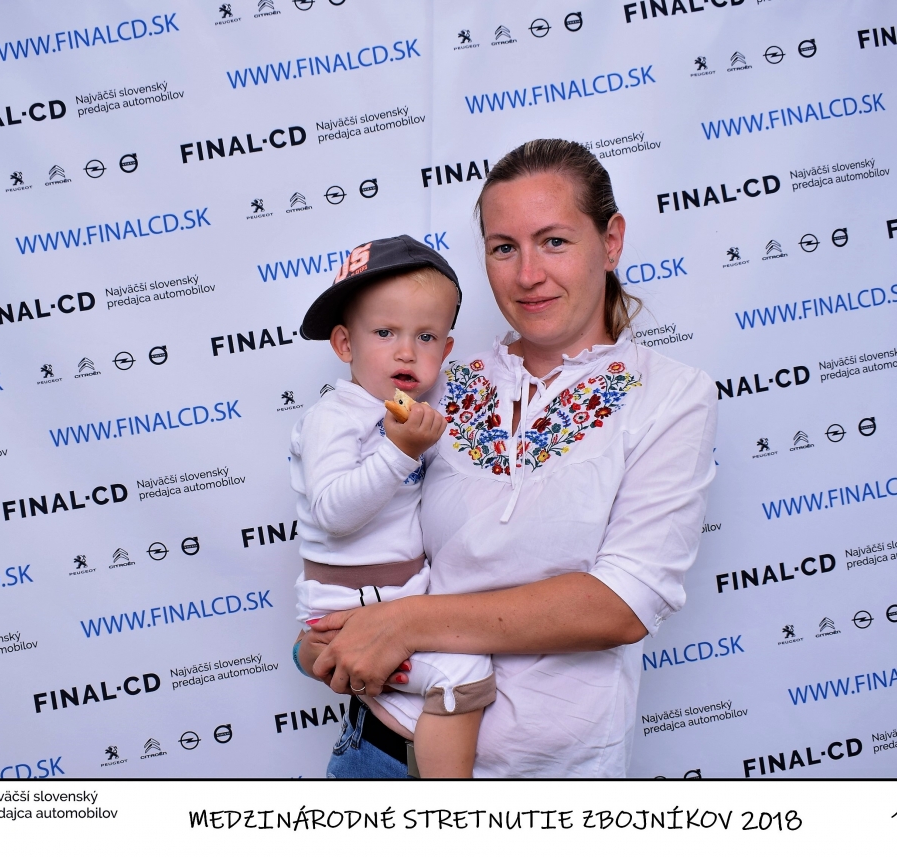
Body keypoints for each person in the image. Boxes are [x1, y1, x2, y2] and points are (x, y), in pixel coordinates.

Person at [299, 139, 718, 777]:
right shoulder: (435, 379)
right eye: (503, 248)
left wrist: (401, 623)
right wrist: (323, 637)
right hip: (377, 751)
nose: (527, 275)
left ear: (610, 241)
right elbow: (350, 519)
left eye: (553, 241)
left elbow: (620, 605)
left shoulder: (671, 396)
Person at [290, 235, 496, 778]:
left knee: (457, 669)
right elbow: (333, 513)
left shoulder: (414, 413)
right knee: (462, 676)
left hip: (400, 599)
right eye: (384, 333)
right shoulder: (335, 416)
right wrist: (399, 451)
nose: (406, 352)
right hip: (351, 605)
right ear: (344, 343)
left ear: (445, 352)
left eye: (425, 337)